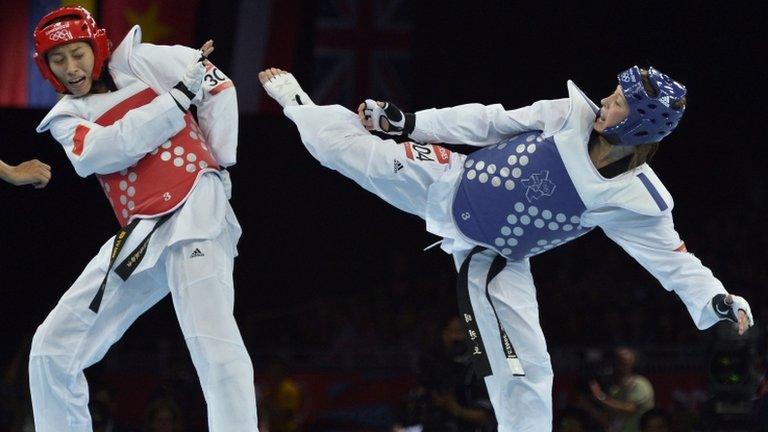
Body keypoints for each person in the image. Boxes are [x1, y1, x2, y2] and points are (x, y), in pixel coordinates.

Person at [259, 65, 755, 431]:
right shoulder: (569, 114)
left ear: (641, 125)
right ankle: (302, 103)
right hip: (446, 181)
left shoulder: (633, 198)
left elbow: (673, 258)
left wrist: (718, 300)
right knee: (338, 148)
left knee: (526, 365)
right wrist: (408, 123)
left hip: (496, 260)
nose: (606, 100)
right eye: (613, 92)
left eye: (621, 102)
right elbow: (488, 123)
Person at [29, 6, 257, 431]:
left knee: (212, 341)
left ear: (95, 46)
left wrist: (218, 159)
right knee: (51, 349)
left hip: (197, 211)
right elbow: (101, 152)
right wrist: (173, 104)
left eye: (76, 53)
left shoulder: (141, 60)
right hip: (139, 232)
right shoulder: (65, 116)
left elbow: (219, 86)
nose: (70, 68)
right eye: (57, 60)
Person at [586, 347, 655, 432]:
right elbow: (608, 419)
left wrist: (600, 397)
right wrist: (588, 406)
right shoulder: (613, 389)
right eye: (616, 362)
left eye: (624, 363)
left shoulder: (639, 384)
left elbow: (629, 409)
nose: (619, 367)